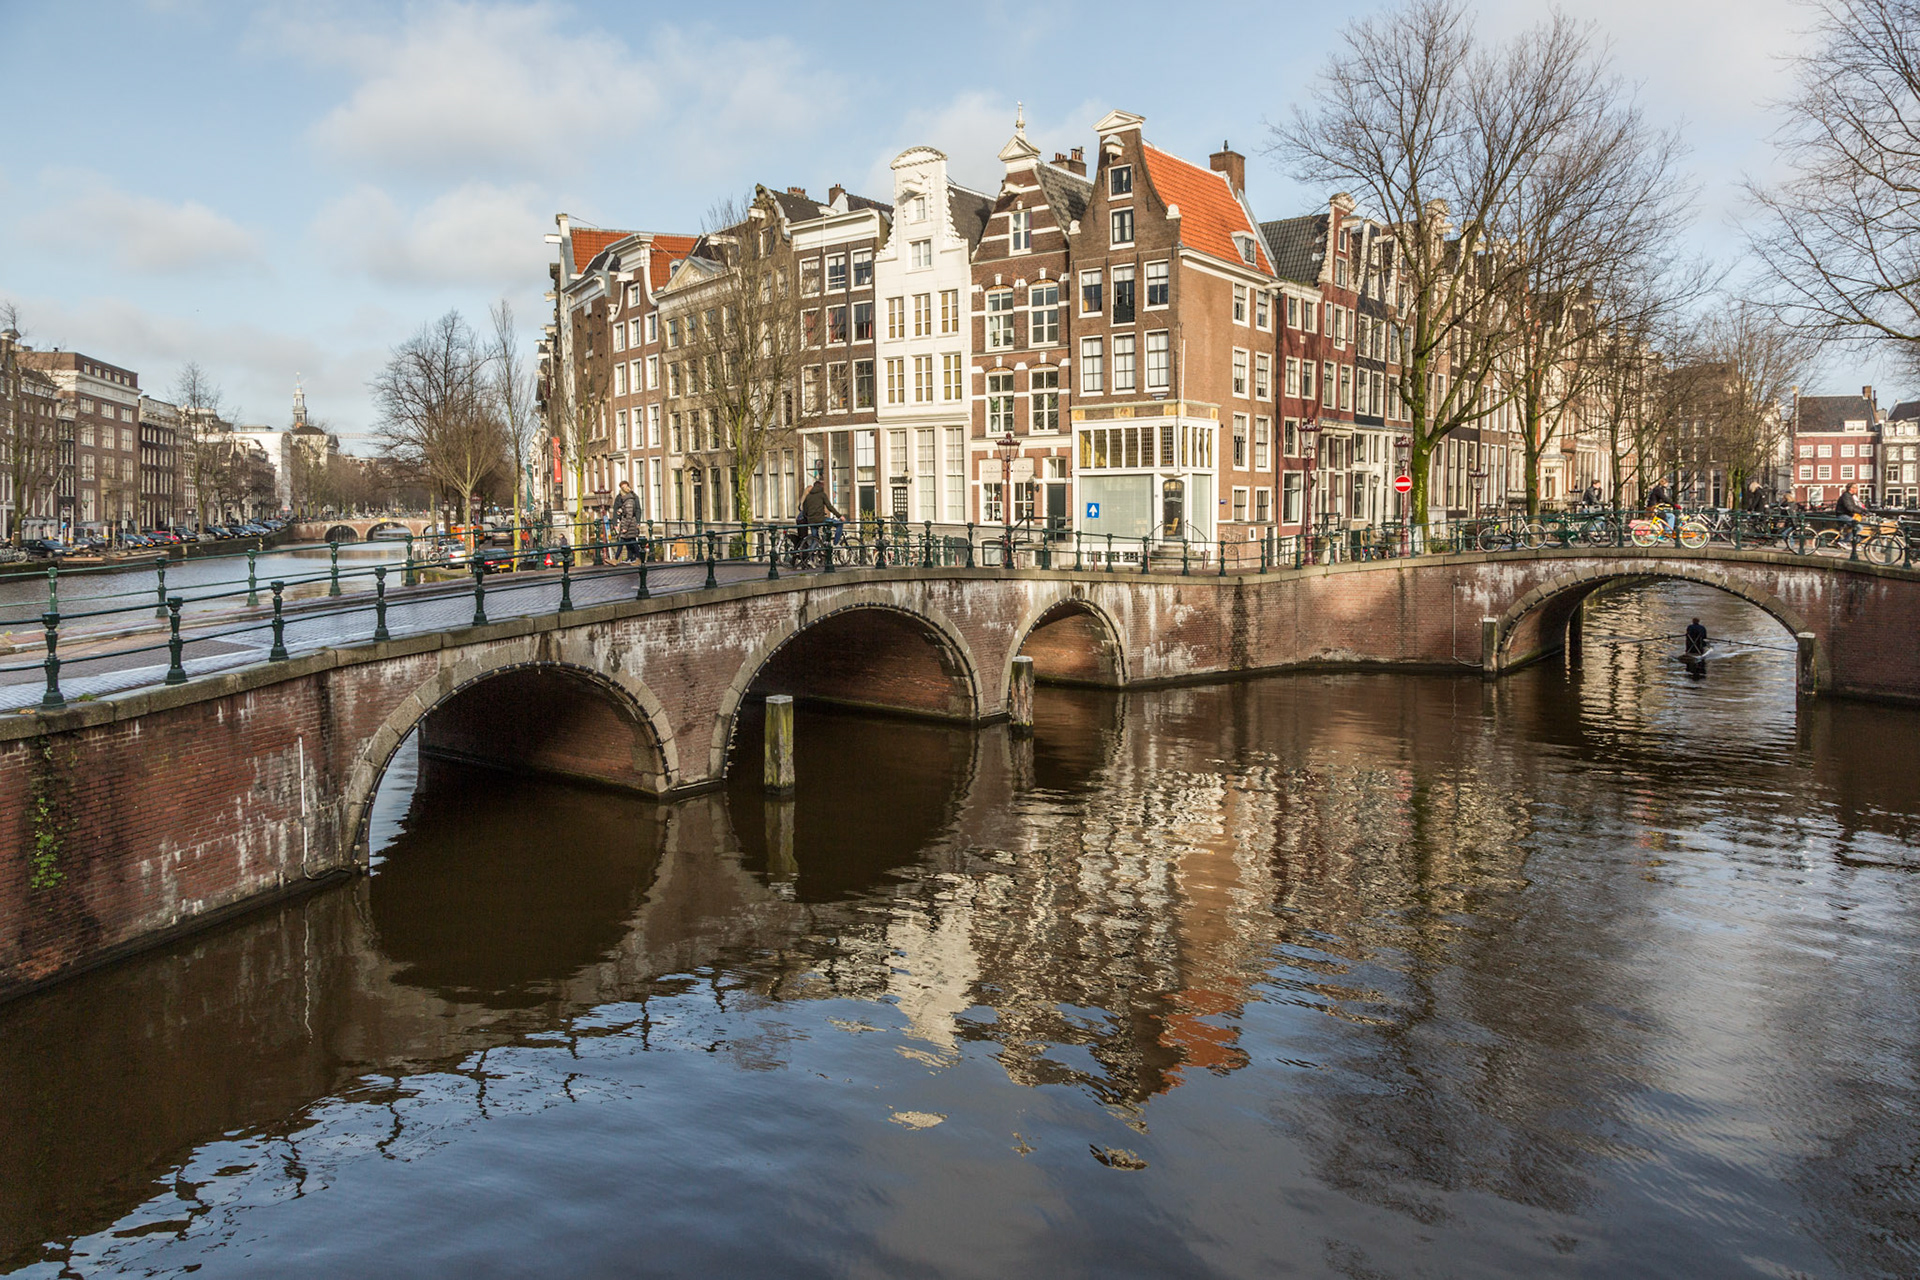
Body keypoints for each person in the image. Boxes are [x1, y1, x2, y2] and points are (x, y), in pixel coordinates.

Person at [611, 480, 643, 561]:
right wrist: (616, 521)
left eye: (625, 487)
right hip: (625, 522)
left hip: (629, 523)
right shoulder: (620, 498)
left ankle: (636, 558)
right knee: (628, 540)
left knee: (629, 541)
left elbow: (634, 511)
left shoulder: (632, 498)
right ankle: (633, 558)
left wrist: (638, 522)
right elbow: (618, 509)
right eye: (622, 487)